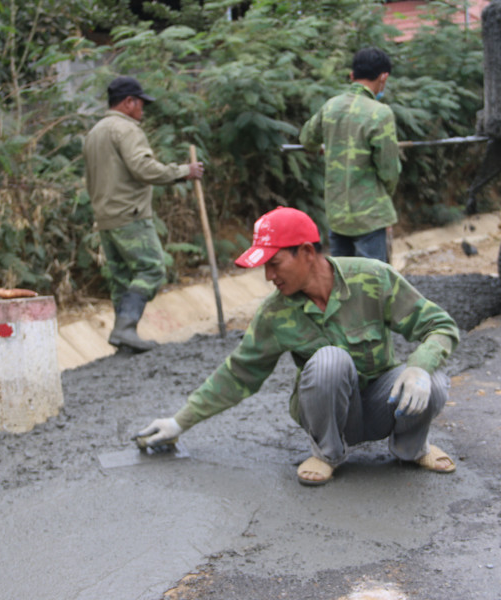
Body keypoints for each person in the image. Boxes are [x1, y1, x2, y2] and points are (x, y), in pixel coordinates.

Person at [137, 207, 460, 486]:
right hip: (329, 415)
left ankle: (412, 448)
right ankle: (327, 454)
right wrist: (178, 422)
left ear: (306, 252)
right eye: (264, 267)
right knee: (330, 360)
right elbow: (238, 374)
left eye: (275, 263)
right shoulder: (275, 313)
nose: (268, 276)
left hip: (382, 406)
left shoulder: (373, 278)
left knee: (431, 378)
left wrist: (419, 367)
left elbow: (440, 326)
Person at [83, 75, 204, 352]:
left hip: (106, 217)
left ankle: (125, 339)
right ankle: (125, 328)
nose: (142, 110)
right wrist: (183, 171)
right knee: (151, 267)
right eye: (140, 104)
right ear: (129, 102)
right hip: (130, 214)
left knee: (122, 279)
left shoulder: (95, 132)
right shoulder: (126, 129)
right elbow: (144, 168)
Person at [298, 47, 401, 263]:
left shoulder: (330, 107)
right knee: (371, 278)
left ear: (352, 75)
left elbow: (307, 139)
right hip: (370, 216)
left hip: (337, 215)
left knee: (343, 277)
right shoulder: (380, 113)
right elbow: (389, 170)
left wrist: (324, 147)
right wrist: (385, 195)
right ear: (383, 77)